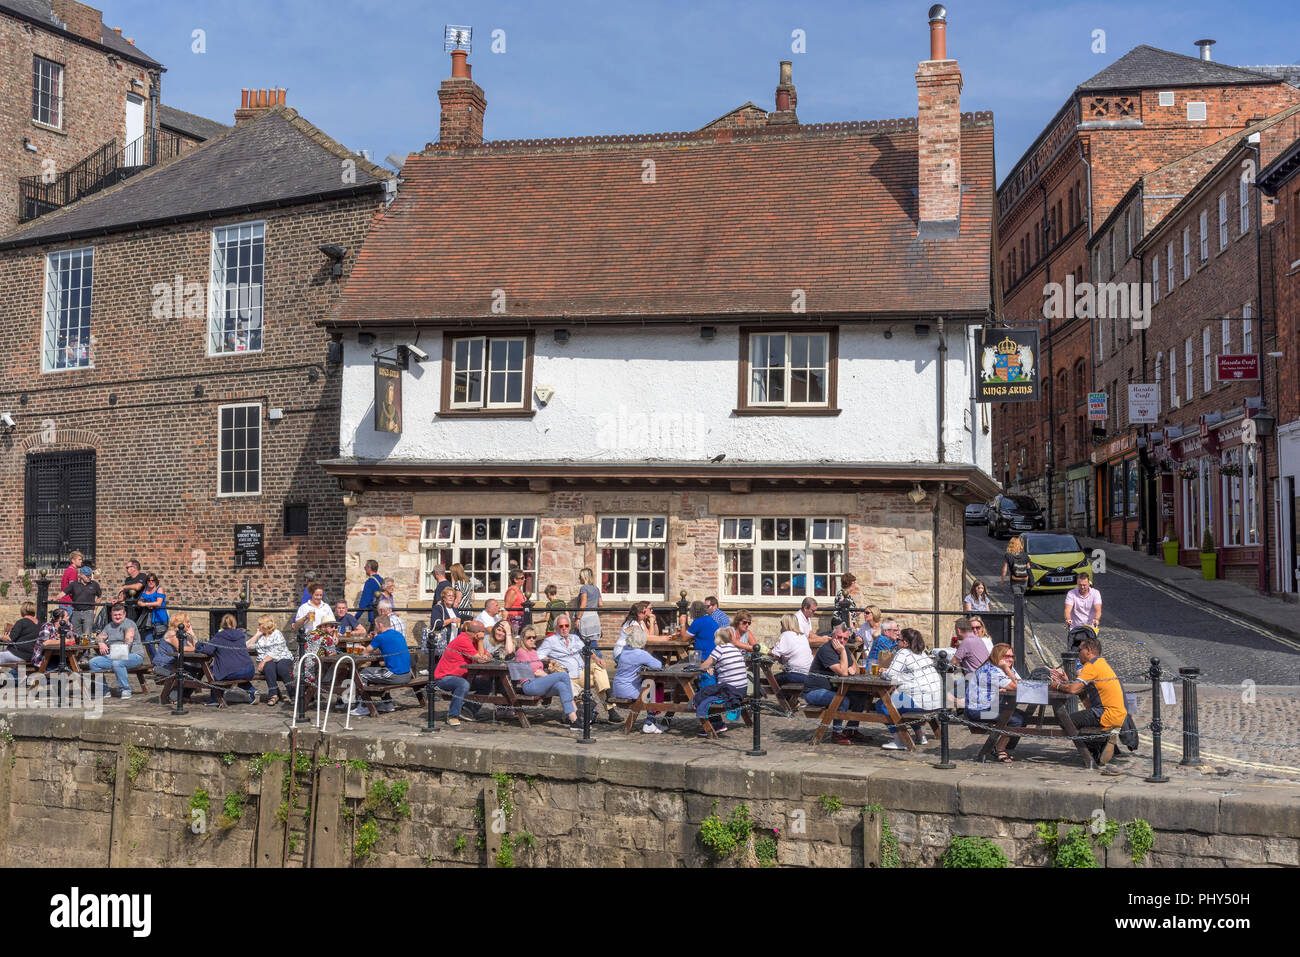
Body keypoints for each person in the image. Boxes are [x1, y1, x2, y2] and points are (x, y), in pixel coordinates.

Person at [1049, 636, 1126, 766]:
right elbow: (1082, 692)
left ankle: (1095, 750)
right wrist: (1066, 682)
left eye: (1080, 650)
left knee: (1065, 721)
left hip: (1106, 714)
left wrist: (1056, 685)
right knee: (1080, 719)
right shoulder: (1101, 664)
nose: (1078, 654)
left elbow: (1073, 690)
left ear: (1088, 650)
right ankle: (1101, 743)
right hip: (1117, 714)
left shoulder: (1091, 666)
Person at [539, 614, 619, 723]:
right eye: (561, 626)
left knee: (598, 669)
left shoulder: (575, 638)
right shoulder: (550, 641)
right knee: (598, 680)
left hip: (581, 673)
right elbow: (538, 655)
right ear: (556, 628)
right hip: (566, 677)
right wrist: (550, 660)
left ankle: (609, 700)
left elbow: (586, 649)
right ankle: (606, 710)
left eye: (566, 625)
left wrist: (596, 658)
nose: (564, 628)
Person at [802, 624, 867, 744]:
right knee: (843, 701)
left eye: (845, 639)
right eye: (839, 637)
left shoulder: (845, 648)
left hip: (832, 689)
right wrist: (843, 654)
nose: (842, 641)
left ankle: (851, 730)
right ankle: (837, 733)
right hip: (814, 691)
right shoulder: (826, 650)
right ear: (832, 636)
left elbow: (853, 666)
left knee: (861, 696)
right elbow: (843, 672)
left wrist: (850, 666)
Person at [878, 628, 941, 749]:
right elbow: (910, 675)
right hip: (936, 701)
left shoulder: (903, 652)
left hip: (922, 703)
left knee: (883, 704)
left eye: (898, 639)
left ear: (905, 643)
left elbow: (891, 675)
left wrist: (883, 673)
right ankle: (919, 735)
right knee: (901, 701)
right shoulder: (922, 653)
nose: (897, 642)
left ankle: (900, 741)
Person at [965, 642, 1024, 764]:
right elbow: (1017, 686)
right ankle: (999, 748)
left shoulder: (1004, 668)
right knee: (1016, 720)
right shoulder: (991, 670)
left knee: (1023, 717)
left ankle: (1005, 747)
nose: (1010, 659)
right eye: (1006, 656)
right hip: (977, 711)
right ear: (998, 656)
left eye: (1012, 656)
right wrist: (1007, 669)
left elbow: (1021, 683)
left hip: (991, 706)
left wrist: (1008, 672)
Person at [513, 625, 580, 729]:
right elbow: (533, 671)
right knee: (563, 675)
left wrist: (543, 671)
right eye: (529, 637)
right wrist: (544, 674)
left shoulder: (534, 651)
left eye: (534, 637)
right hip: (529, 685)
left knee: (561, 686)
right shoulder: (521, 651)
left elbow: (538, 669)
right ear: (522, 639)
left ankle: (573, 719)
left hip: (539, 683)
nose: (532, 640)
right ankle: (576, 712)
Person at [352, 613, 413, 717]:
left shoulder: (380, 637)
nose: (375, 627)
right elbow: (387, 649)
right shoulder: (398, 634)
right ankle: (387, 703)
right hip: (407, 674)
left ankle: (364, 706)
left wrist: (362, 649)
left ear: (380, 625)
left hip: (396, 675)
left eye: (376, 625)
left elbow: (365, 653)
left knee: (361, 674)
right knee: (379, 671)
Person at [694, 627, 747, 736]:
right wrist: (712, 666)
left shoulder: (720, 648)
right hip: (742, 689)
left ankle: (697, 706)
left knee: (706, 688)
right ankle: (716, 722)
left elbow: (704, 665)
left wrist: (702, 666)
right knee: (711, 684)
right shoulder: (734, 648)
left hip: (730, 689)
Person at [611, 623, 664, 732]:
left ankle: (652, 722)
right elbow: (658, 665)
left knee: (648, 684)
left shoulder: (624, 650)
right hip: (628, 690)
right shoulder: (640, 654)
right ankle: (650, 722)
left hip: (617, 687)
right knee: (651, 686)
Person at [433, 623, 489, 726]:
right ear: (477, 633)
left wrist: (484, 655)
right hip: (444, 678)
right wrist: (481, 641)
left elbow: (488, 655)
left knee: (486, 683)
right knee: (462, 684)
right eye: (483, 632)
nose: (484, 634)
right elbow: (481, 659)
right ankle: (452, 715)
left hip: (463, 676)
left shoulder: (474, 641)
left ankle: (467, 709)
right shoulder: (463, 640)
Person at [88, 604, 146, 699]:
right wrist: (101, 643)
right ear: (111, 615)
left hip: (134, 656)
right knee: (93, 662)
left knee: (117, 663)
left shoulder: (129, 624)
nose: (117, 617)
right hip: (114, 656)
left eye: (120, 614)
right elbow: (99, 637)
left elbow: (129, 640)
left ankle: (125, 689)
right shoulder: (109, 626)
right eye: (115, 615)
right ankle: (104, 690)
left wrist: (114, 653)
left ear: (124, 614)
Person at [197, 614, 257, 706]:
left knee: (213, 671)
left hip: (234, 671)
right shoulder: (241, 635)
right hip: (249, 669)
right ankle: (252, 691)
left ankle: (215, 699)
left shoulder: (219, 636)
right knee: (234, 673)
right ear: (234, 624)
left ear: (222, 624)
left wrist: (199, 647)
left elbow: (208, 650)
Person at [247, 616, 294, 705]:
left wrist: (263, 661)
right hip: (268, 661)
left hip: (282, 657)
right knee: (269, 667)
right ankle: (274, 695)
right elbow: (248, 646)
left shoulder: (277, 633)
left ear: (265, 625)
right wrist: (256, 635)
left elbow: (277, 650)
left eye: (260, 624)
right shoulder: (260, 637)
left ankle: (293, 694)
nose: (258, 626)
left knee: (282, 669)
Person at [771, 613, 813, 686]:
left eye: (782, 623)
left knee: (770, 680)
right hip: (808, 674)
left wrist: (767, 651)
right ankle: (787, 697)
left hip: (796, 674)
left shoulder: (786, 634)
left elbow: (774, 655)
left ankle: (756, 696)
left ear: (785, 624)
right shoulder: (802, 636)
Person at [59, 565, 102, 638]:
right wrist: (54, 598)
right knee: (76, 635)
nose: (89, 577)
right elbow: (63, 593)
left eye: (90, 575)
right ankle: (78, 649)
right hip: (76, 611)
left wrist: (95, 608)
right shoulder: (74, 584)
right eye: (87, 576)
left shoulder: (94, 584)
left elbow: (99, 596)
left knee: (87, 634)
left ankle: (86, 649)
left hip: (89, 611)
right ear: (81, 575)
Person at [136, 574, 168, 661]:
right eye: (149, 580)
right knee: (148, 642)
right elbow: (139, 601)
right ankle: (155, 662)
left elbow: (158, 603)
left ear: (156, 581)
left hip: (160, 619)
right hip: (148, 621)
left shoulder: (159, 589)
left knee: (161, 643)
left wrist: (146, 604)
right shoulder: (146, 589)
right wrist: (145, 604)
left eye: (152, 580)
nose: (151, 582)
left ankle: (163, 664)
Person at [427, 587, 463, 660]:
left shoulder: (455, 610)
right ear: (444, 597)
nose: (451, 598)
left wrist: (460, 624)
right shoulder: (438, 608)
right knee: (439, 664)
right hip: (443, 642)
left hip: (454, 643)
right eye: (449, 596)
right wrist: (451, 620)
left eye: (453, 596)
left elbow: (457, 625)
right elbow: (436, 624)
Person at [576, 567, 602, 647]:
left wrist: (578, 618)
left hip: (584, 617)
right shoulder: (596, 588)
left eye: (580, 576)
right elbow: (600, 604)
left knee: (578, 640)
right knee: (591, 641)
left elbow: (583, 604)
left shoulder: (584, 588)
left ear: (585, 577)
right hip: (594, 616)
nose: (579, 578)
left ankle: (599, 659)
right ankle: (598, 658)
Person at [119, 559, 147, 623]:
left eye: (127, 567)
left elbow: (138, 587)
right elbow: (123, 597)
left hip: (138, 609)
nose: (126, 569)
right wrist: (117, 600)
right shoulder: (127, 580)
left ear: (134, 568)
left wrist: (125, 587)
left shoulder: (142, 576)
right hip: (128, 608)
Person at [357, 560, 384, 626]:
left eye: (365, 567)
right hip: (383, 615)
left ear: (369, 568)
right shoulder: (382, 580)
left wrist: (355, 618)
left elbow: (364, 602)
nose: (365, 569)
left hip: (374, 616)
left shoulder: (370, 582)